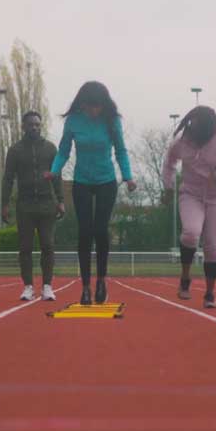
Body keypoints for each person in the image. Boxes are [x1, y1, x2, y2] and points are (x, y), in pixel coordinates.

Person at [49, 81, 135, 305]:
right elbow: (64, 150)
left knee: (100, 230)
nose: (93, 111)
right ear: (82, 103)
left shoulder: (111, 121)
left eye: (96, 107)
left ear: (103, 105)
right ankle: (85, 286)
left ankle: (101, 281)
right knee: (85, 231)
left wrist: (128, 176)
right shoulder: (73, 121)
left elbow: (121, 151)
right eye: (89, 106)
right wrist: (54, 171)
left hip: (106, 180)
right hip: (82, 181)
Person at [162, 106, 216, 309]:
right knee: (190, 233)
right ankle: (185, 277)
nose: (196, 140)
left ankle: (210, 293)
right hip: (191, 194)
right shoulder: (182, 142)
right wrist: (168, 187)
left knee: (213, 247)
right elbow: (169, 163)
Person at [2, 111, 65, 301]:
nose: (34, 128)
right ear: (24, 127)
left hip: (47, 204)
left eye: (37, 125)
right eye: (31, 125)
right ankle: (28, 287)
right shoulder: (15, 151)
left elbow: (57, 176)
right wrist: (4, 204)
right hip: (25, 205)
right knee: (25, 247)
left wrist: (61, 200)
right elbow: (7, 179)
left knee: (48, 245)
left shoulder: (50, 149)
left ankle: (47, 286)